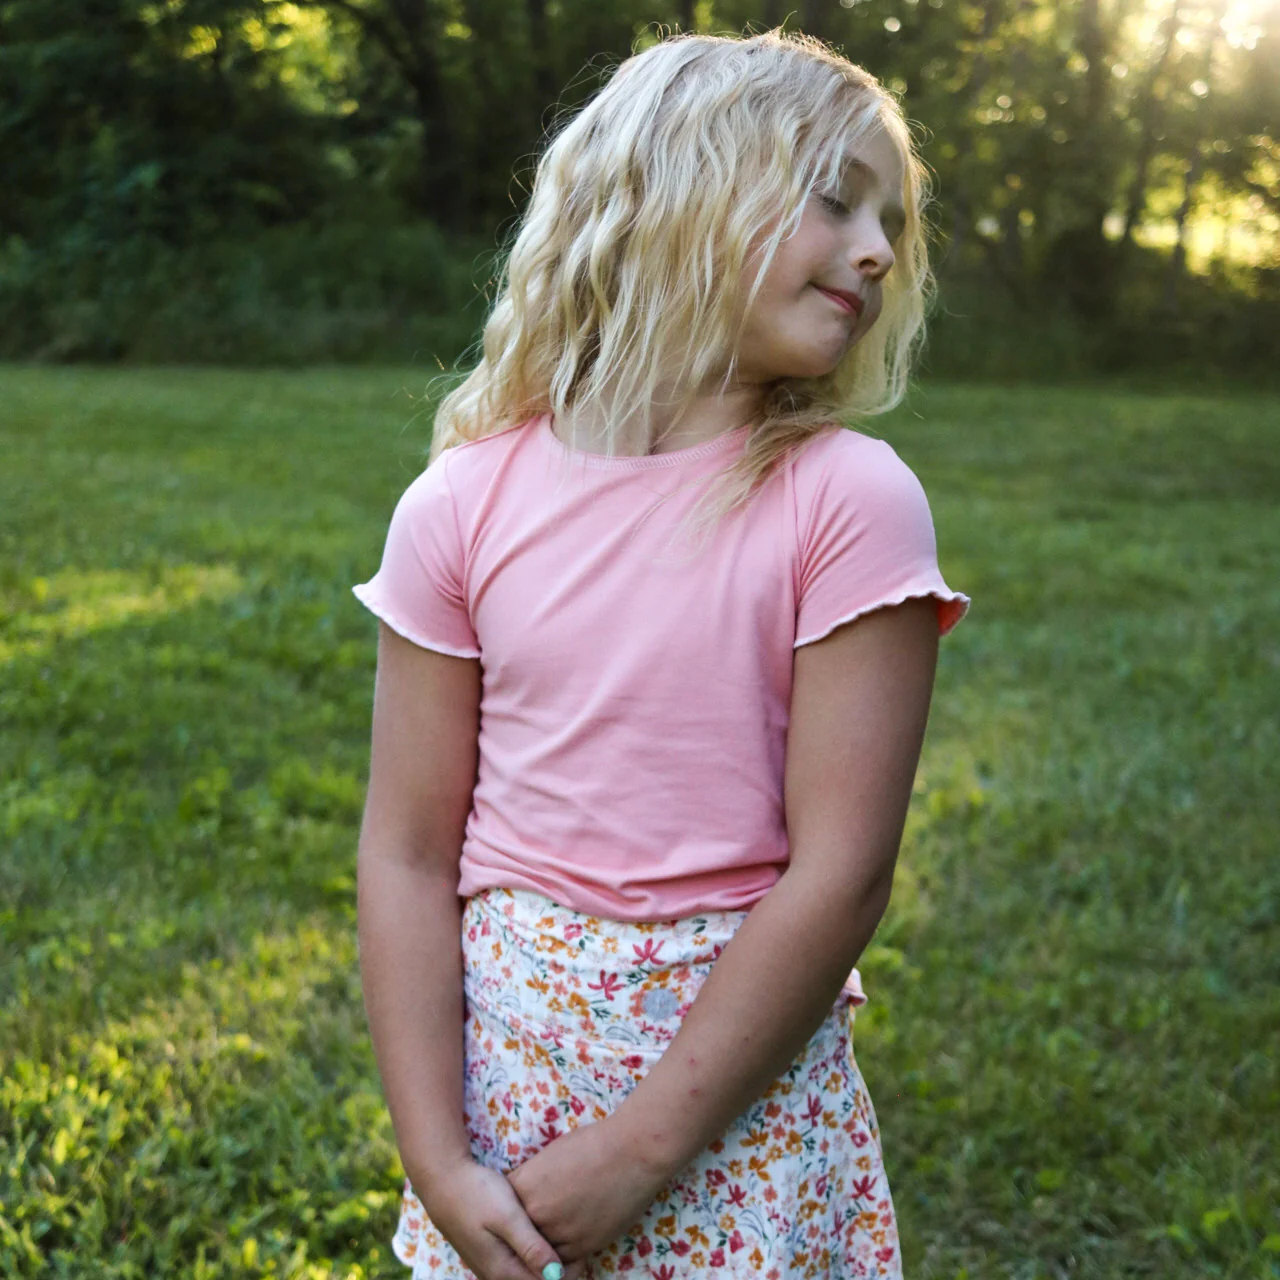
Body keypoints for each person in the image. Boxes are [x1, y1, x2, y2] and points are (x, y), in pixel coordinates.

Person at [351, 26, 969, 1280]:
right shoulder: (460, 505)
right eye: (834, 198)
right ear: (676, 196)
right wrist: (436, 1158)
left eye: (889, 222)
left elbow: (841, 873)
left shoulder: (847, 500)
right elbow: (406, 852)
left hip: (730, 1123)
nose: (875, 248)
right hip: (509, 1111)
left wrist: (644, 1147)